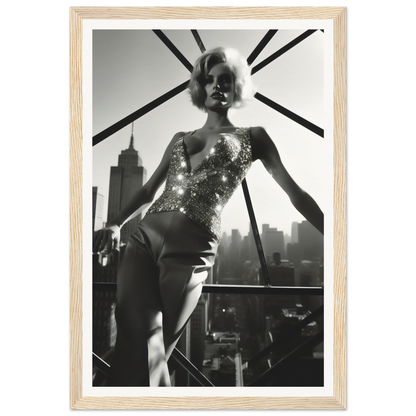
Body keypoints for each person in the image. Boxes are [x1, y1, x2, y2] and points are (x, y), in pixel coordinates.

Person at [93, 47, 324, 387]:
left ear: (238, 86)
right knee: (133, 340)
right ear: (199, 87)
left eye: (225, 79)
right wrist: (115, 223)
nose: (217, 85)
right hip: (143, 239)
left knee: (153, 349)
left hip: (193, 245)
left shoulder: (253, 137)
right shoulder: (179, 139)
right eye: (208, 79)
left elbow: (295, 193)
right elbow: (148, 191)